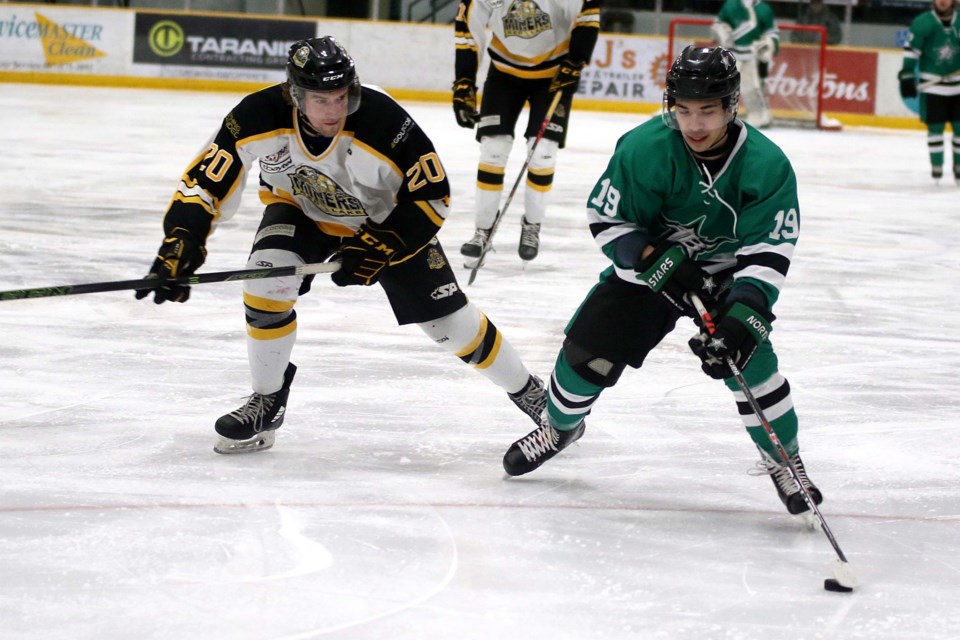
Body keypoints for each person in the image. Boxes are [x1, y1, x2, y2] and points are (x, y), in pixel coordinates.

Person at [136, 36, 547, 454]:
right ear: (294, 95)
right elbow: (206, 182)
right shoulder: (257, 114)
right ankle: (267, 399)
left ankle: (532, 394)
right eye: (320, 100)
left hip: (385, 223)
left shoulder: (384, 120)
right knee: (264, 282)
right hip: (301, 212)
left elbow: (433, 195)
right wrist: (182, 239)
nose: (334, 111)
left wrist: (384, 245)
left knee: (449, 326)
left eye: (341, 97)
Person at [502, 45, 824, 518]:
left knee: (751, 364)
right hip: (649, 272)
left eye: (708, 111)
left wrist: (742, 318)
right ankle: (560, 426)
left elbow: (768, 252)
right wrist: (657, 261)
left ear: (733, 106)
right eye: (685, 110)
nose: (695, 125)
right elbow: (607, 220)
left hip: (724, 280)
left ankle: (786, 460)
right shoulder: (643, 148)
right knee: (586, 355)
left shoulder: (766, 165)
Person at [453, 0, 601, 265]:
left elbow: (587, 14)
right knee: (493, 151)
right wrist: (464, 81)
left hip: (553, 75)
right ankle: (482, 231)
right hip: (503, 76)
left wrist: (576, 59)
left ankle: (532, 225)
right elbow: (468, 31)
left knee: (543, 153)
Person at [898, 0, 960, 184]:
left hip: (958, 86)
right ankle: (937, 169)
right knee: (935, 129)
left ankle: (958, 168)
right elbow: (911, 51)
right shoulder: (922, 23)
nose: (942, 1)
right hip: (932, 85)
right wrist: (907, 74)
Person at [711, 0, 779, 128]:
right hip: (730, 54)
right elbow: (718, 26)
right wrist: (721, 33)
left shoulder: (764, 9)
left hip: (751, 55)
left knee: (752, 87)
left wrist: (769, 45)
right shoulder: (730, 5)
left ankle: (758, 116)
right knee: (723, 86)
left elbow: (771, 33)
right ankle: (719, 114)